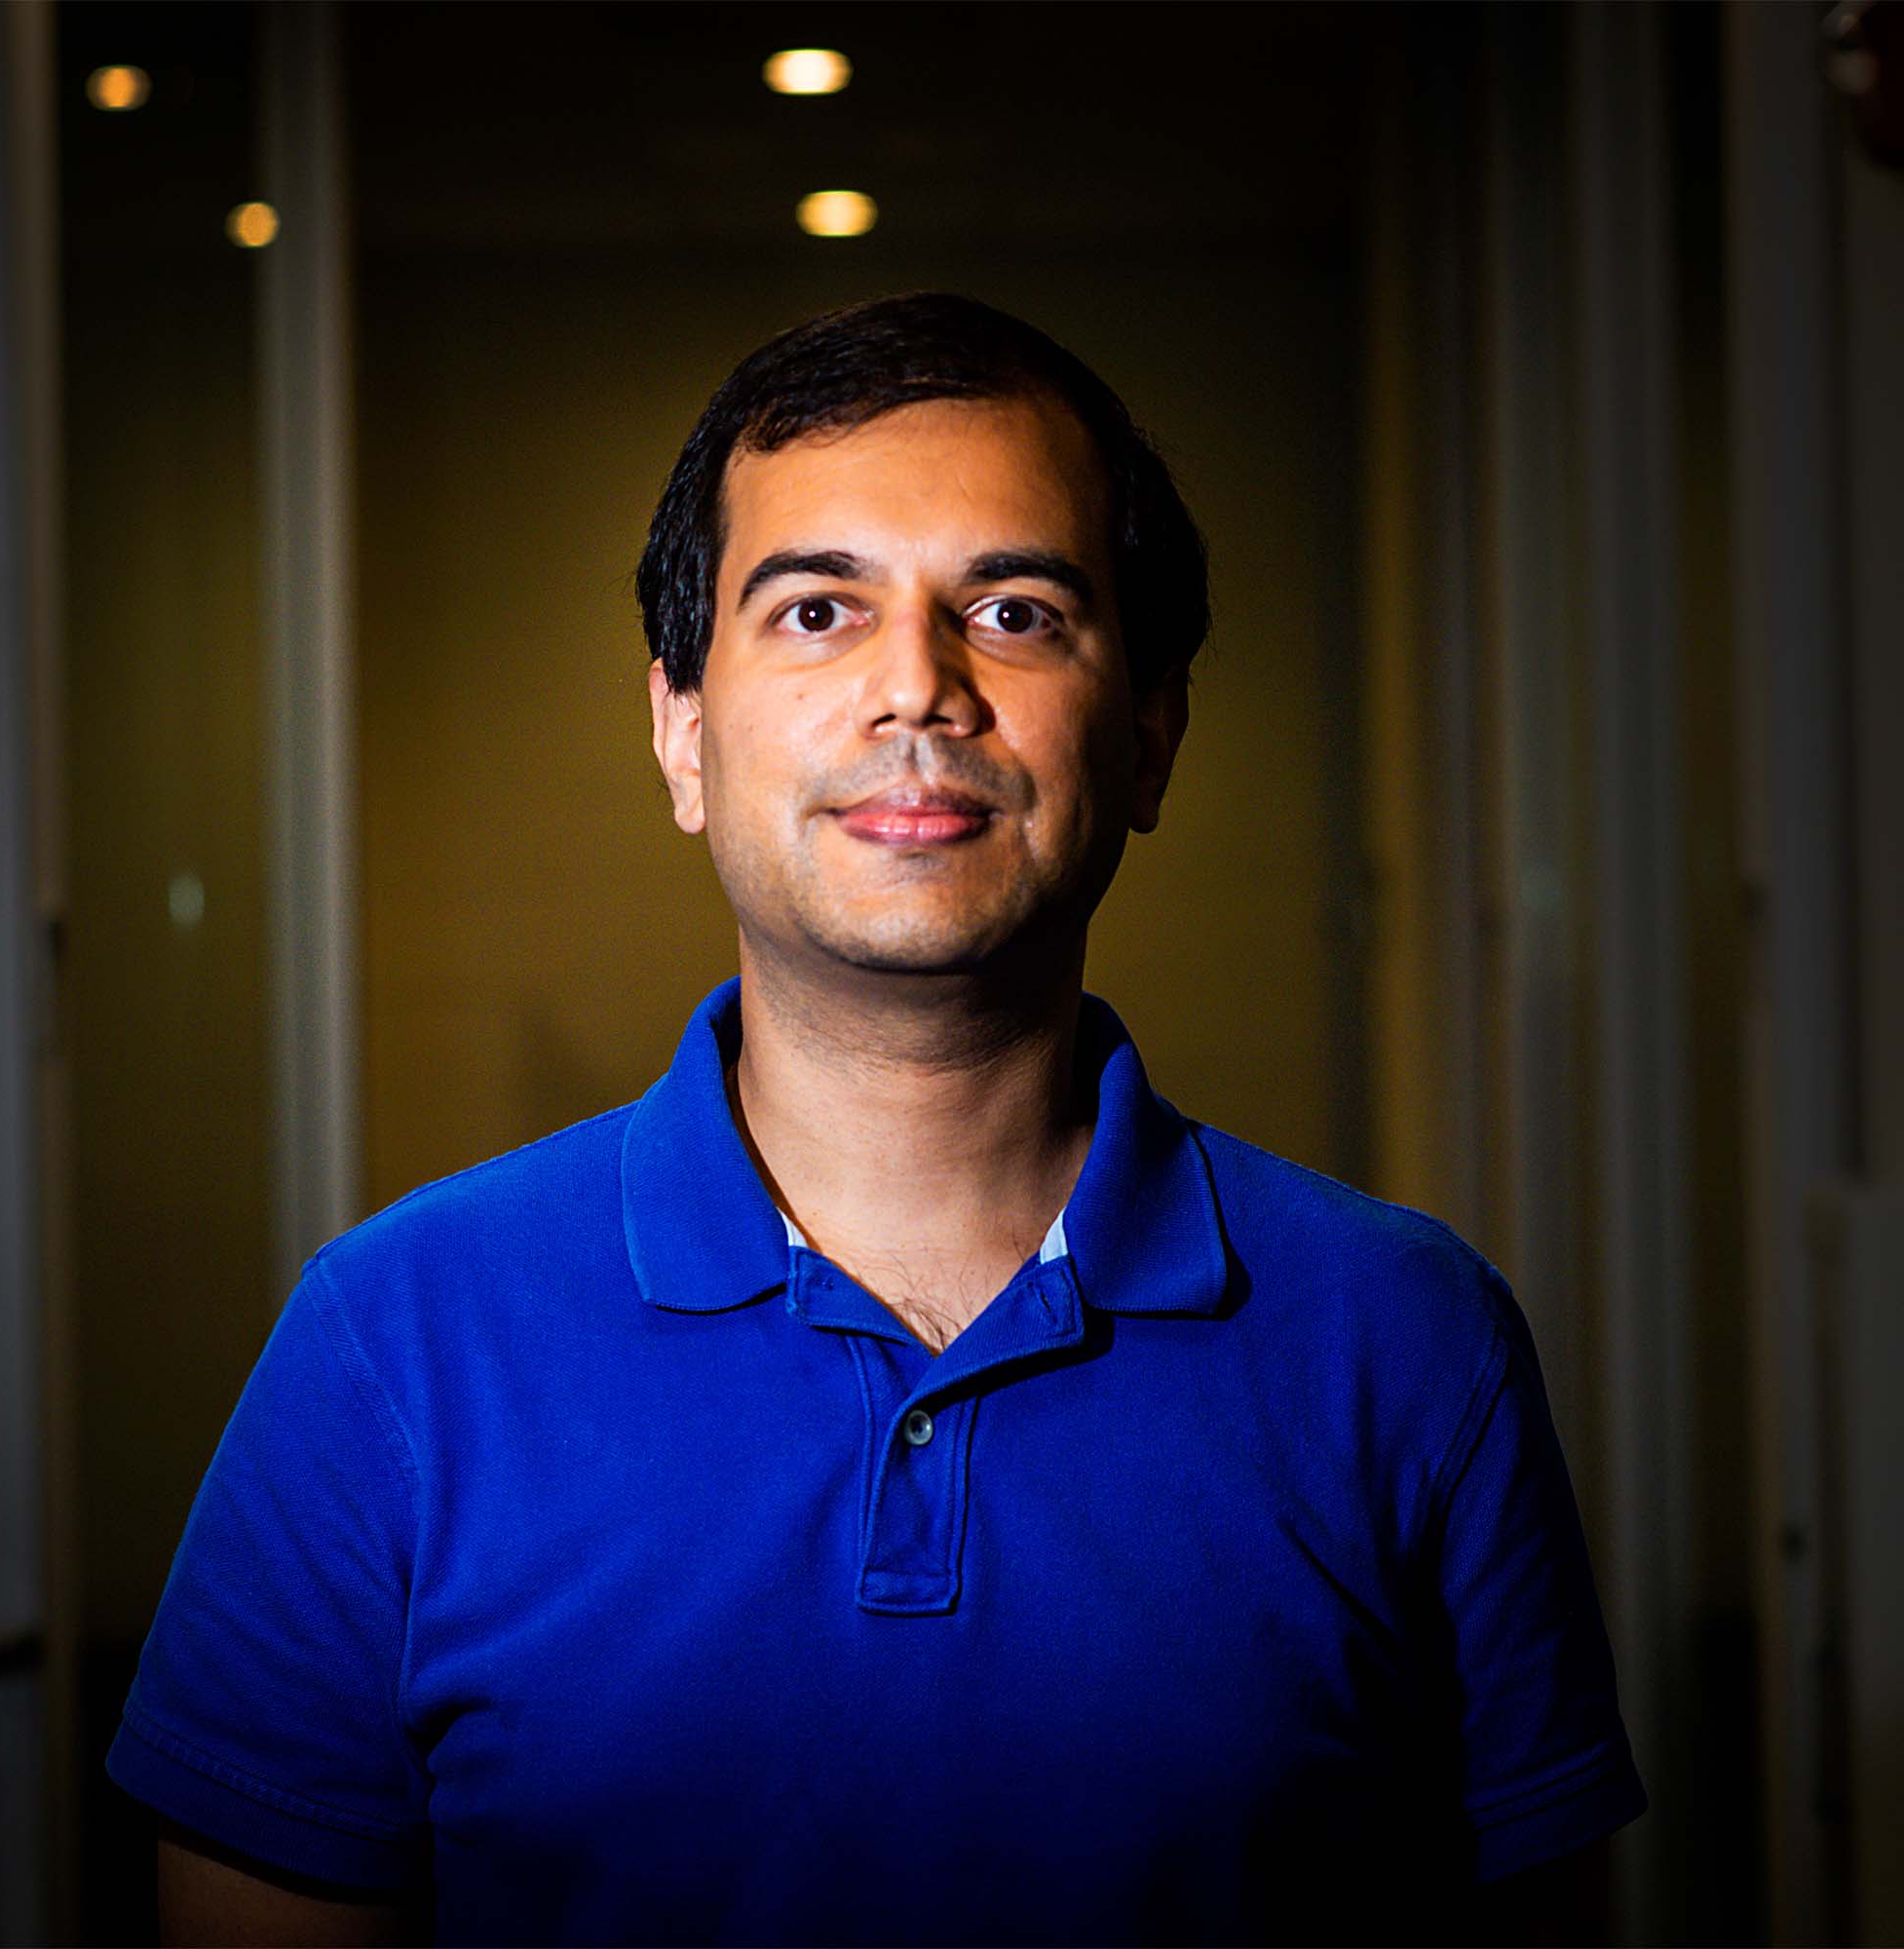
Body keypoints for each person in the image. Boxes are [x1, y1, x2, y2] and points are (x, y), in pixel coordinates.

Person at [111, 292, 1645, 1947]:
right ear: (681, 734)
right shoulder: (390, 1344)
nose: (919, 689)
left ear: (1148, 739)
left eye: (1015, 610)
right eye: (820, 611)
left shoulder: (1412, 1341)